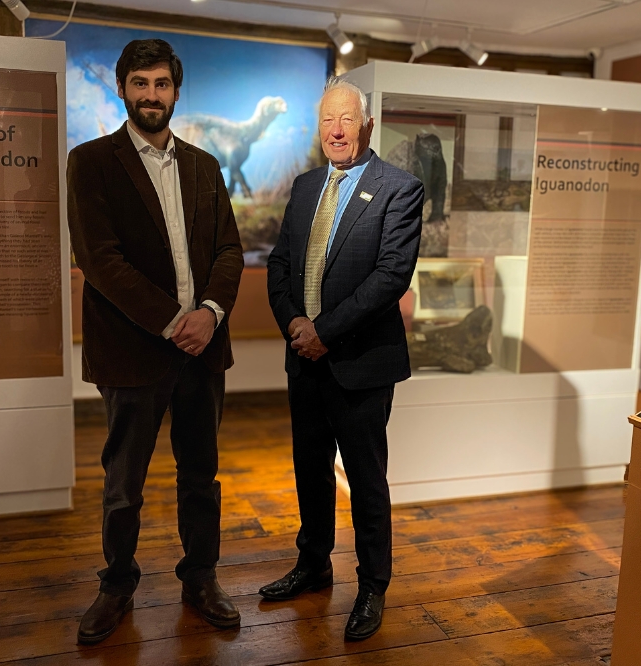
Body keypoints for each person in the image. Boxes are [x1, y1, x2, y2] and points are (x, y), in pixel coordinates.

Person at [67, 39, 244, 644]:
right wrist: (176, 321)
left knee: (201, 473)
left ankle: (201, 577)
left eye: (161, 83)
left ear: (175, 90)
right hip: (133, 349)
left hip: (203, 350)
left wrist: (211, 312)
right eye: (139, 83)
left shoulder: (204, 166)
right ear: (123, 89)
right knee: (124, 482)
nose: (151, 94)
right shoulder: (90, 162)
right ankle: (116, 583)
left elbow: (228, 249)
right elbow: (101, 259)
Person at [262, 77, 424, 641]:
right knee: (309, 471)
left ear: (367, 125)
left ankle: (373, 586)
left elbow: (389, 278)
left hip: (360, 364)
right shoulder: (305, 186)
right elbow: (279, 264)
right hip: (304, 359)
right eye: (328, 120)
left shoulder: (399, 188)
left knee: (365, 480)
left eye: (347, 120)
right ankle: (313, 565)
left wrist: (324, 331)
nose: (336, 131)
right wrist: (293, 326)